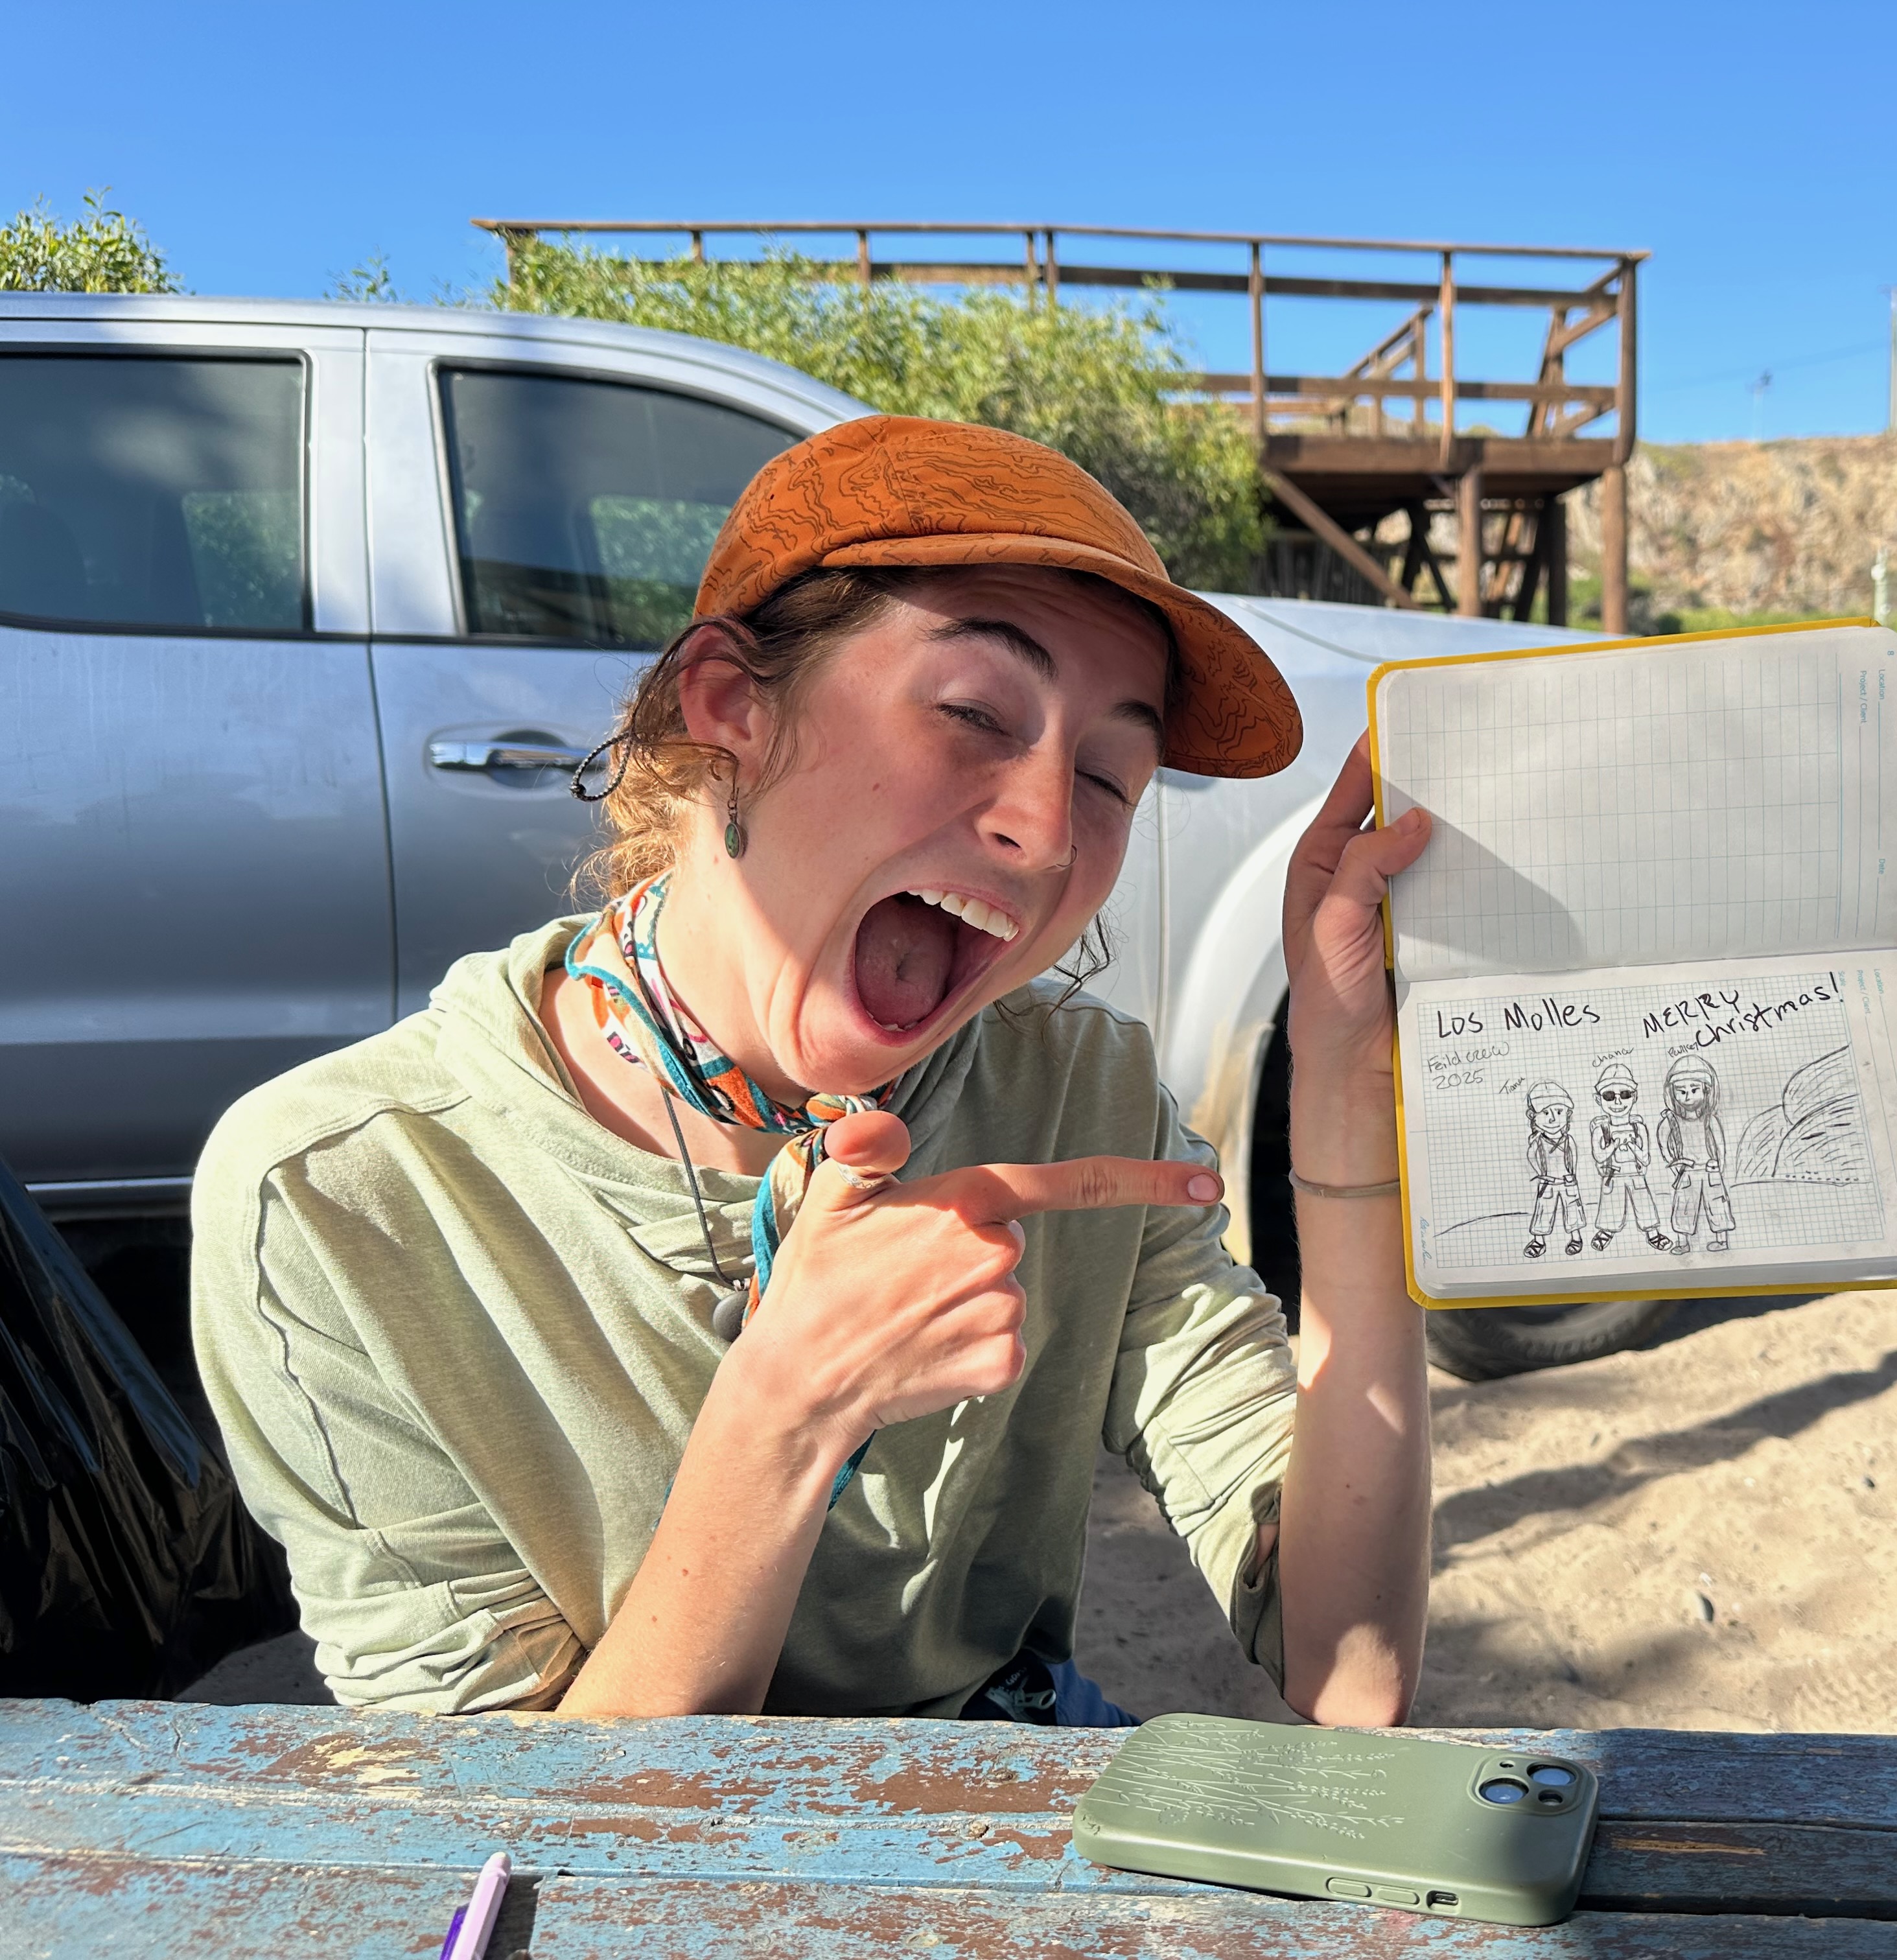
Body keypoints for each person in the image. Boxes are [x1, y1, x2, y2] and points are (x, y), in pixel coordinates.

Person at [190, 416, 1434, 1725]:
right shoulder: (340, 1193)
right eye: (971, 713)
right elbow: (505, 1833)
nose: (1050, 828)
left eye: (1111, 774)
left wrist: (1347, 1106)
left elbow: (1350, 1671)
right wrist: (790, 1408)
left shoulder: (1077, 1098)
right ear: (729, 706)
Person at [1587, 1059, 1670, 1253]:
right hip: (1613, 1176)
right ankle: (1606, 1232)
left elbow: (1645, 1158)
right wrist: (1615, 1144)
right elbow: (1599, 1157)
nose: (1618, 1102)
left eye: (1625, 1094)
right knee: (1611, 1206)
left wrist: (1632, 1145)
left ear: (1634, 1097)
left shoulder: (1638, 1126)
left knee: (1645, 1205)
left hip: (1636, 1175)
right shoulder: (1600, 1128)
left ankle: (1653, 1233)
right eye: (1609, 1096)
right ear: (1599, 1099)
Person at [1657, 1051, 1734, 1254]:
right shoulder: (1671, 1120)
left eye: (1694, 1089)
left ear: (1706, 1090)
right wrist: (1675, 1164)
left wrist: (1719, 1165)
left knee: (1717, 1204)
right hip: (1687, 1172)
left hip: (1710, 1171)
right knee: (1683, 1206)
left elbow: (1720, 1145)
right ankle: (1683, 1243)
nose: (1688, 1096)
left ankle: (1722, 1240)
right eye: (1681, 1091)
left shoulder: (1710, 1119)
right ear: (1672, 1093)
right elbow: (1663, 1142)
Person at [1519, 1081, 1583, 1259]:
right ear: (1534, 1117)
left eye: (1559, 1112)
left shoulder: (1568, 1140)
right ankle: (1539, 1240)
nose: (1553, 1119)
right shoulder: (1538, 1142)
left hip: (1567, 1181)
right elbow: (1532, 1158)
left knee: (1573, 1209)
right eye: (1545, 1113)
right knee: (1543, 1210)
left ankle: (1576, 1238)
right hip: (1547, 1183)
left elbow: (1573, 1158)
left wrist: (1572, 1176)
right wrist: (1541, 1176)